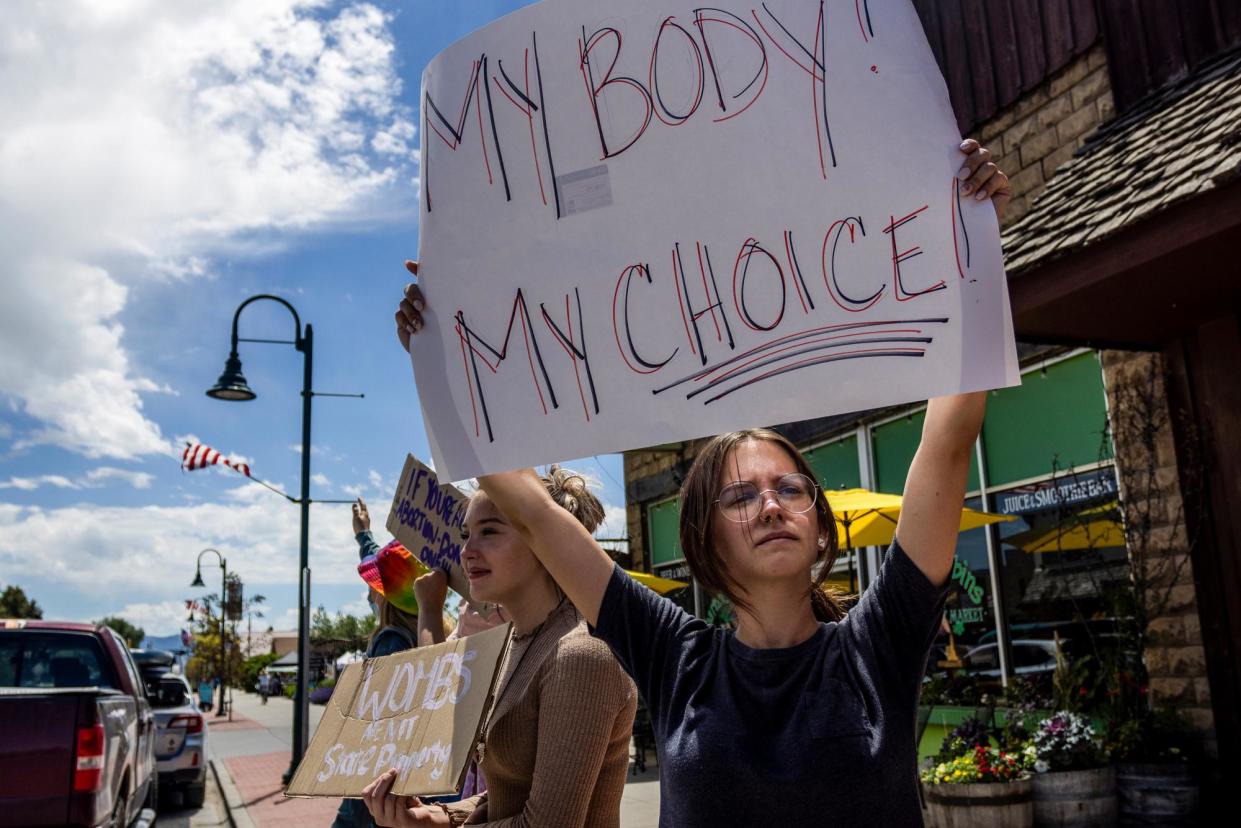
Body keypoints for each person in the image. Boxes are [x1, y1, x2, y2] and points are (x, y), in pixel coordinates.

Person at [390, 140, 1010, 826]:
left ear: (819, 527)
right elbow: (530, 509)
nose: (771, 504)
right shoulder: (672, 655)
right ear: (702, 539)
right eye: (741, 496)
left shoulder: (879, 641)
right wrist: (453, 341)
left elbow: (948, 441)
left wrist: (973, 245)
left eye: (790, 489)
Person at [362, 468, 638, 828]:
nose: (466, 551)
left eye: (488, 531)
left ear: (544, 538)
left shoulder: (580, 655)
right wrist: (438, 815)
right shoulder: (517, 642)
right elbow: (514, 788)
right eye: (466, 534)